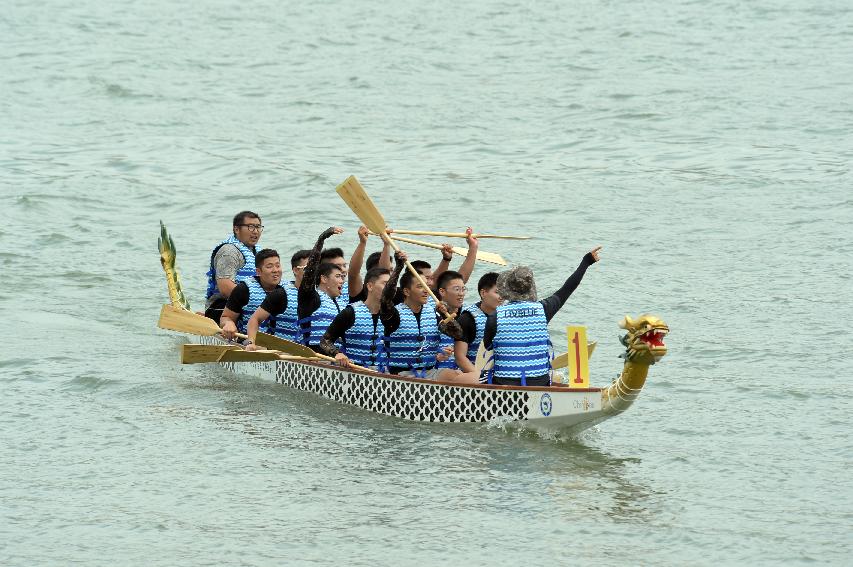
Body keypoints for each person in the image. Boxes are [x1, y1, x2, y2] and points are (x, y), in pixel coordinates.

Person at [482, 246, 602, 386]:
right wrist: (586, 262)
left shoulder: (496, 316)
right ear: (531, 287)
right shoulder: (543, 309)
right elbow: (568, 288)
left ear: (507, 289)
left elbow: (487, 345)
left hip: (505, 385)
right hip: (539, 384)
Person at [380, 252, 467, 381]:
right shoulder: (393, 315)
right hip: (402, 376)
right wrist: (398, 267)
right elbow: (385, 298)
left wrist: (445, 315)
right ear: (406, 291)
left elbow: (458, 334)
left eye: (427, 286)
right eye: (420, 286)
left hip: (429, 372)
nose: (426, 290)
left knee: (460, 376)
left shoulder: (433, 313)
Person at [318, 267, 391, 370]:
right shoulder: (350, 313)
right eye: (385, 284)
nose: (390, 288)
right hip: (353, 371)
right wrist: (337, 353)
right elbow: (325, 341)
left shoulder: (391, 315)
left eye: (392, 285)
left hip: (382, 373)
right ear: (370, 286)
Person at [242, 249, 310, 345]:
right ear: (295, 270)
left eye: (317, 267)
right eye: (308, 268)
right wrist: (251, 342)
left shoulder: (325, 296)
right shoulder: (281, 294)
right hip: (280, 352)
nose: (314, 271)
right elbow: (254, 320)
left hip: (312, 354)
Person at [204, 211, 263, 321]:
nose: (255, 231)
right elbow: (225, 288)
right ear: (236, 229)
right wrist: (260, 302)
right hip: (222, 307)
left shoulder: (259, 252)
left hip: (250, 304)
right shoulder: (229, 251)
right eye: (250, 227)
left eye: (258, 227)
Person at [297, 227, 347, 351]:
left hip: (338, 358)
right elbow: (310, 270)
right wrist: (321, 239)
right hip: (314, 358)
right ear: (324, 279)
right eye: (337, 276)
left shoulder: (342, 304)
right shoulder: (310, 298)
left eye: (342, 277)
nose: (342, 280)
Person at [218, 249, 283, 342]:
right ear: (258, 271)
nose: (275, 270)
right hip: (248, 341)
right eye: (269, 266)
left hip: (280, 342)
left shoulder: (285, 290)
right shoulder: (243, 289)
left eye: (278, 266)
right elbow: (225, 317)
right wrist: (228, 323)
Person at [454, 272, 501, 380]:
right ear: (483, 293)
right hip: (474, 375)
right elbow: (460, 357)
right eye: (498, 292)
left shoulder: (505, 316)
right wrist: (481, 377)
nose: (502, 297)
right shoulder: (467, 319)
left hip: (499, 375)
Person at [347, 226, 392, 303]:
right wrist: (362, 242)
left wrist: (387, 244)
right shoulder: (360, 292)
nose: (390, 274)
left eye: (392, 270)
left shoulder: (393, 292)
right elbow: (353, 274)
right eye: (390, 270)